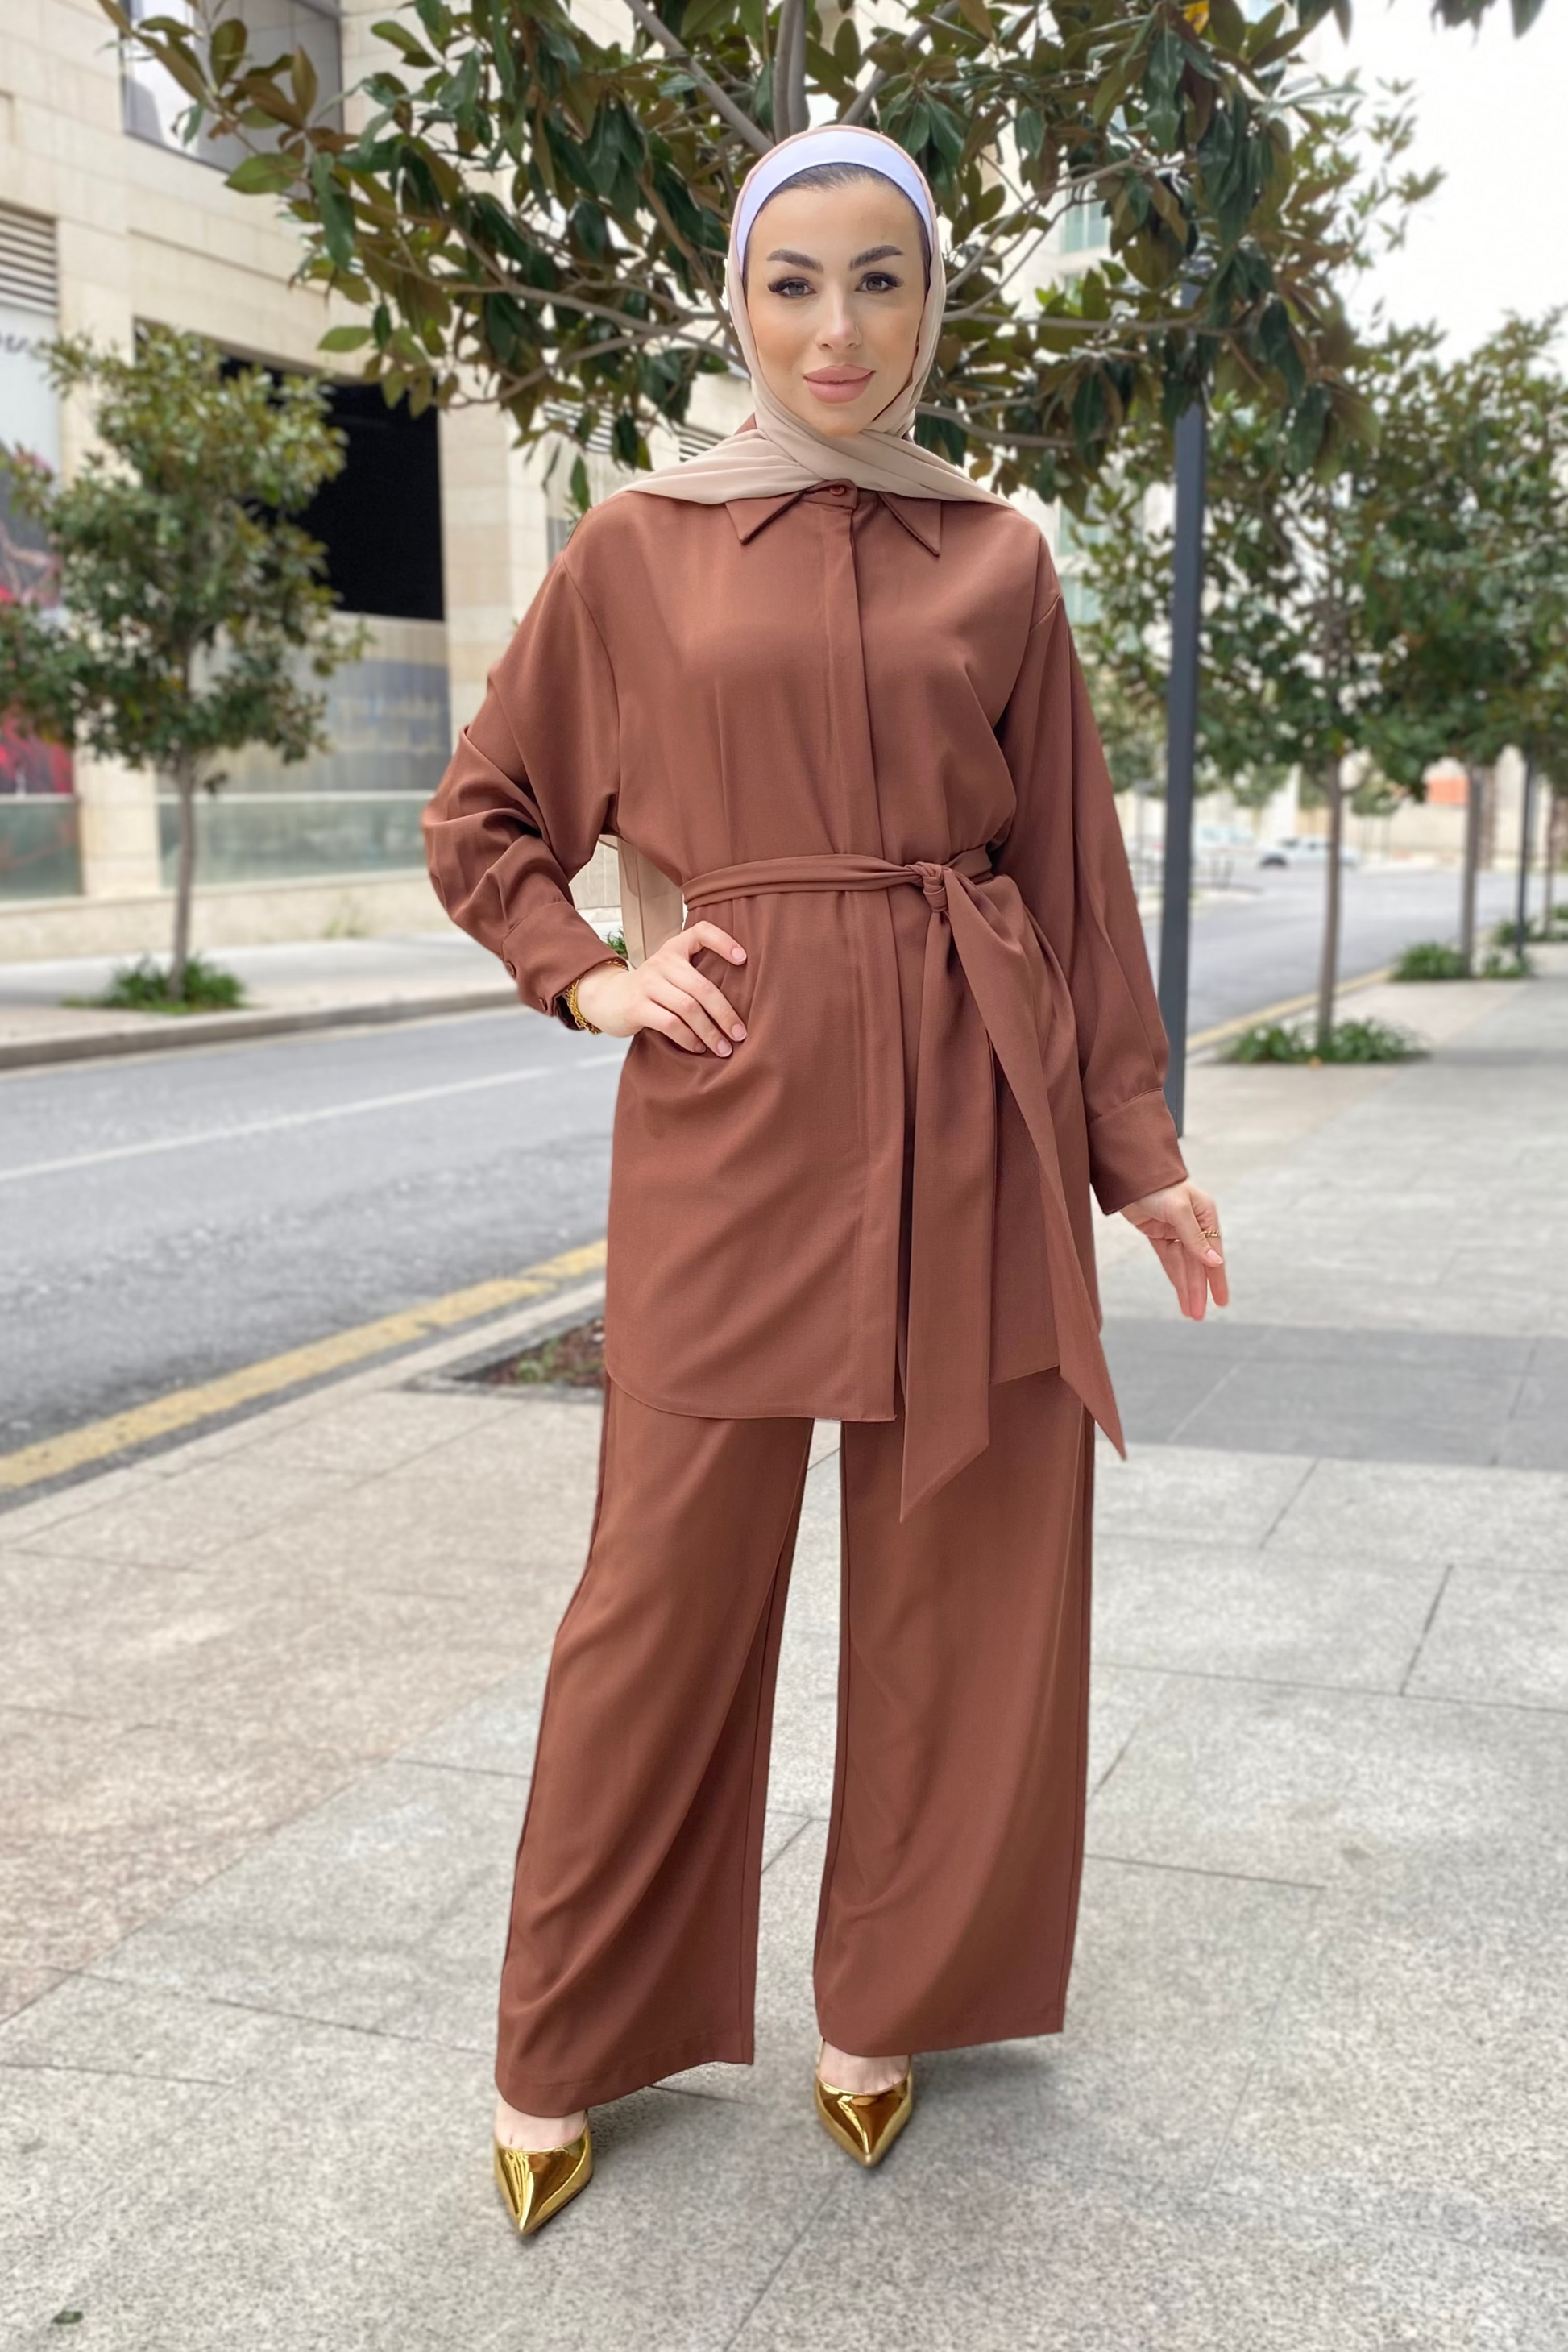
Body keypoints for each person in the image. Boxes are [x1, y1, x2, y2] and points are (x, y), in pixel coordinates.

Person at [423, 122, 1227, 2238]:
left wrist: (1137, 1157)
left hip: (977, 1101)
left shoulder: (1002, 555)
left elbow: (1068, 869)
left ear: (933, 301)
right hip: (736, 1109)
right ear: (735, 299)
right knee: (662, 1584)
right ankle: (567, 2027)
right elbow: (486, 813)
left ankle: (893, 1995)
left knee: (970, 1563)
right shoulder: (637, 548)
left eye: (881, 280)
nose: (838, 327)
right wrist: (593, 976)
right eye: (795, 281)